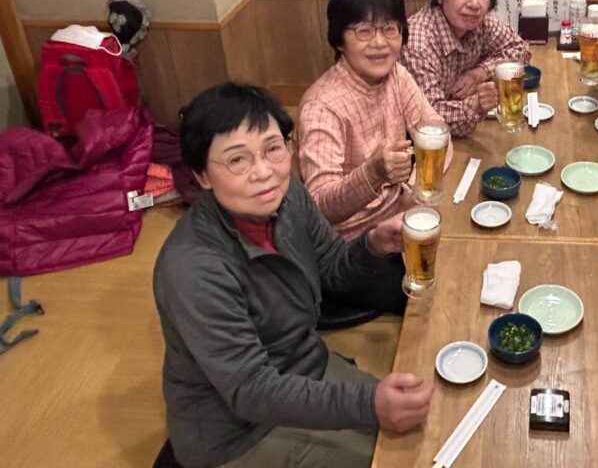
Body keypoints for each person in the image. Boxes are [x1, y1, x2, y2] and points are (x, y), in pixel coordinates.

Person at [153, 84, 432, 468]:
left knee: (421, 428)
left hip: (304, 364)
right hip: (238, 432)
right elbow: (252, 390)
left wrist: (373, 243)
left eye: (273, 148)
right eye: (237, 160)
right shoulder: (193, 268)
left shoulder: (288, 198)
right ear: (202, 175)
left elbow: (332, 267)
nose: (264, 172)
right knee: (397, 460)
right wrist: (368, 404)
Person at [297, 0, 440, 242]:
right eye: (364, 31)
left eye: (389, 29)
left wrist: (413, 187)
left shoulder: (396, 74)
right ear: (339, 41)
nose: (379, 42)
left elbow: (436, 130)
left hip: (400, 216)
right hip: (353, 244)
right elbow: (320, 206)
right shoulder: (321, 107)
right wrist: (373, 174)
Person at [402, 0, 530, 137]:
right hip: (421, 143)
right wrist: (476, 104)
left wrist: (480, 73)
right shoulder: (419, 42)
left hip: (467, 134)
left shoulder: (481, 23)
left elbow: (520, 48)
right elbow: (430, 119)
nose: (475, 3)